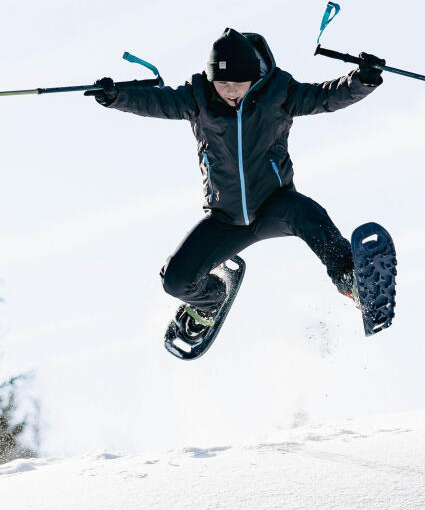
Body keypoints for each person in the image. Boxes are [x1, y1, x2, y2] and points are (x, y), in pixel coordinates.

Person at [88, 27, 382, 340]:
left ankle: (351, 278)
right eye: (222, 82)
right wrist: (116, 96)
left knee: (308, 214)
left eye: (237, 83)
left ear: (254, 77)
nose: (229, 90)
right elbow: (155, 102)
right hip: (225, 217)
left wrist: (361, 80)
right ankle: (210, 300)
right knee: (175, 281)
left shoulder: (278, 93)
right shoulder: (197, 98)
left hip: (274, 205)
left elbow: (325, 96)